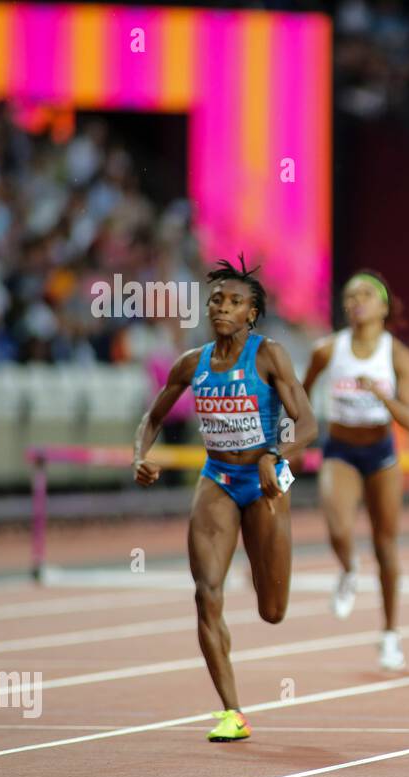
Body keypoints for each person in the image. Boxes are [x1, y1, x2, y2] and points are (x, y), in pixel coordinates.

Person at [133, 256, 317, 742]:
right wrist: (141, 455)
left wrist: (277, 454)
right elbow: (152, 417)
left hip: (266, 482)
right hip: (216, 478)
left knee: (271, 609)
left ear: (252, 314)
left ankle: (240, 664)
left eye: (235, 302)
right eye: (216, 300)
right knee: (205, 593)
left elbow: (309, 423)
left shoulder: (269, 355)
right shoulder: (190, 364)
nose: (222, 308)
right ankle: (231, 711)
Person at [301, 270, 409, 670]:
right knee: (337, 528)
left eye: (366, 295)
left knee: (386, 546)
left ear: (383, 306)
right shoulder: (327, 350)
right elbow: (299, 395)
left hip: (381, 453)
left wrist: (381, 395)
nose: (356, 301)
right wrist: (294, 437)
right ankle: (348, 568)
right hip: (339, 450)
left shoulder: (397, 355)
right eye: (350, 296)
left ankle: (390, 635)